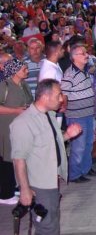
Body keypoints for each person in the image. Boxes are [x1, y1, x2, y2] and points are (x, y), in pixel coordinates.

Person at [10, 79, 82, 235]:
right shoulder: (23, 123)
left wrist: (68, 135)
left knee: (51, 221)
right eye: (58, 95)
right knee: (48, 227)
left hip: (51, 179)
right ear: (45, 97)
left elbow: (49, 142)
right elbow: (18, 159)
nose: (62, 98)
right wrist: (25, 189)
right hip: (39, 185)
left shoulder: (48, 114)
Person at [60, 44, 96, 182]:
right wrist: (64, 108)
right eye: (83, 53)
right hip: (76, 115)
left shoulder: (84, 71)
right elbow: (63, 94)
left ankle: (86, 169)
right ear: (74, 57)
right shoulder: (70, 74)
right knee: (78, 146)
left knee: (88, 143)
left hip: (87, 113)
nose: (87, 55)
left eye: (86, 52)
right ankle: (75, 174)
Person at [0, 59, 33, 204]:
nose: (27, 71)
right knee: (7, 159)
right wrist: (15, 110)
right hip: (7, 128)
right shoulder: (4, 86)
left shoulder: (24, 85)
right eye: (24, 69)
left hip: (22, 127)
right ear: (14, 71)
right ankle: (6, 194)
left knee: (20, 157)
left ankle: (18, 186)